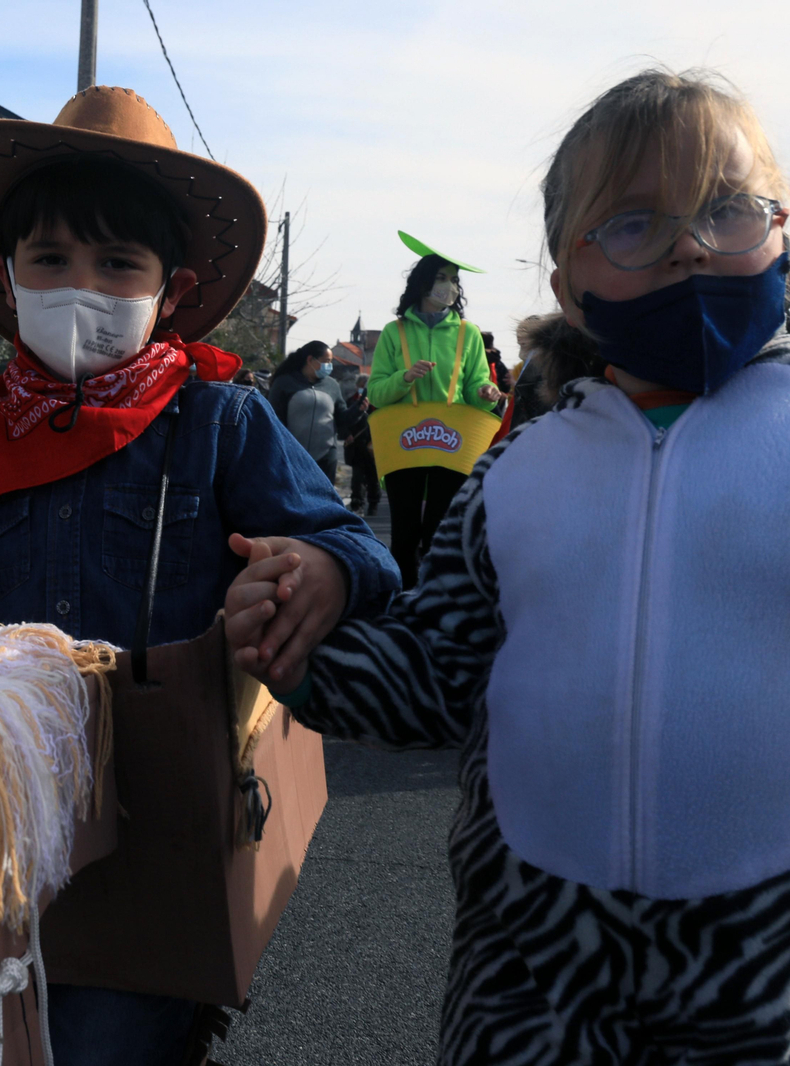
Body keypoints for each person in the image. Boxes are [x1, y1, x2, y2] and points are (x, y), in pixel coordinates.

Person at [0, 85, 399, 1066]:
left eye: (118, 263)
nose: (84, 285)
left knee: (100, 1045)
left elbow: (363, 553)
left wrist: (321, 567)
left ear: (174, 287)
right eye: (53, 260)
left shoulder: (220, 426)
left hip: (152, 831)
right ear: (7, 273)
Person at [228, 67, 790, 1064]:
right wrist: (302, 647)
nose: (692, 246)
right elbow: (439, 672)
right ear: (567, 277)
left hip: (762, 982)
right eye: (635, 225)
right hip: (529, 980)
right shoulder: (518, 472)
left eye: (729, 209)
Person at [366, 235, 503, 588]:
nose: (450, 286)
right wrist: (404, 378)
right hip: (403, 441)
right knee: (404, 532)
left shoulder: (468, 334)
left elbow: (476, 389)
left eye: (454, 279)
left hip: (453, 440)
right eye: (442, 277)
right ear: (423, 282)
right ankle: (402, 600)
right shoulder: (393, 333)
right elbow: (377, 393)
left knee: (440, 531)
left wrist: (487, 393)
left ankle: (433, 600)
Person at [268, 340, 348, 485]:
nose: (329, 366)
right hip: (292, 455)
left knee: (324, 500)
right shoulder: (284, 382)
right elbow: (274, 419)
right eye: (326, 361)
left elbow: (342, 417)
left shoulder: (332, 385)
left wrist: (359, 411)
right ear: (310, 360)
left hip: (326, 456)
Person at [339, 373, 379, 515]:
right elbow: (343, 419)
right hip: (356, 446)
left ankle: (373, 504)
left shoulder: (376, 402)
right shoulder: (351, 401)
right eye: (361, 386)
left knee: (373, 477)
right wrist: (346, 435)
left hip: (373, 446)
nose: (363, 389)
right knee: (357, 478)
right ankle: (357, 504)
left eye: (365, 386)